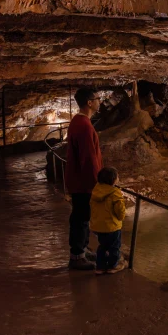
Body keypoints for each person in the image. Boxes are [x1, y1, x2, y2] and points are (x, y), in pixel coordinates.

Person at [66, 87, 103, 270]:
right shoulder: (84, 126)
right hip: (84, 183)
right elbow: (88, 158)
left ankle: (82, 250)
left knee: (82, 217)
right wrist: (97, 183)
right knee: (81, 218)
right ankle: (77, 257)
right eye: (97, 98)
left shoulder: (78, 122)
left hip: (78, 181)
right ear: (89, 103)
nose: (99, 101)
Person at [90, 167, 127, 275]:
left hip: (99, 226)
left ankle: (100, 267)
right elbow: (120, 211)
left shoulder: (96, 190)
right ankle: (113, 266)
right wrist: (121, 217)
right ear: (113, 180)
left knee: (103, 246)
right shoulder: (115, 193)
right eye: (117, 177)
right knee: (114, 247)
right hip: (112, 226)